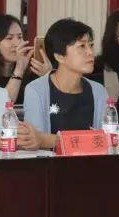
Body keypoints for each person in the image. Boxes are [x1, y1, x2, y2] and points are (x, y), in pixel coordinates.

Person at [24, 19, 108, 149]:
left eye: (91, 45)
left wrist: (50, 140)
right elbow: (34, 139)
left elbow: (110, 137)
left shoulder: (98, 91)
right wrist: (89, 140)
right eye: (82, 46)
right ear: (59, 56)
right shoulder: (36, 90)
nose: (90, 52)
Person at [0, 14, 52, 104]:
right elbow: (4, 105)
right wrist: (19, 70)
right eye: (9, 38)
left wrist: (49, 77)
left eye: (20, 37)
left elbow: (53, 105)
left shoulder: (32, 69)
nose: (17, 43)